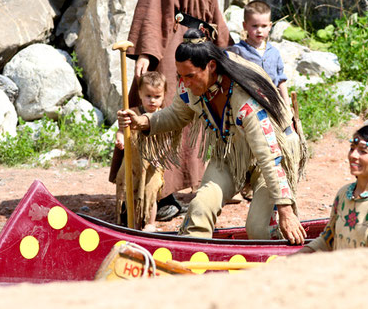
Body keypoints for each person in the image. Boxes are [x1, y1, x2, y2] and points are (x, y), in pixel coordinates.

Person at [117, 28, 307, 243]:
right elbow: (178, 114)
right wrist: (143, 121)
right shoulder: (191, 84)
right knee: (200, 207)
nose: (185, 83)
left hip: (274, 157)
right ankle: (191, 265)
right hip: (231, 152)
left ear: (211, 67)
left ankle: (281, 263)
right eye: (181, 76)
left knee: (260, 229)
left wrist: (286, 211)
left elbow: (269, 157)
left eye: (190, 76)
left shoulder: (246, 99)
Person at [109, 0, 232, 217]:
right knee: (162, 115)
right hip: (170, 48)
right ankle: (157, 195)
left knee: (197, 118)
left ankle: (202, 184)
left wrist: (226, 48)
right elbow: (150, 6)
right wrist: (147, 52)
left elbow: (214, 9)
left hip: (199, 50)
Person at [300, 125, 368, 252]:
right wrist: (290, 259)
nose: (353, 155)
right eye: (352, 149)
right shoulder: (343, 194)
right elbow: (328, 240)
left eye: (363, 151)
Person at [114, 72, 171, 231]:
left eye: (157, 96)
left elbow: (167, 138)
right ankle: (134, 223)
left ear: (164, 95)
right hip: (133, 162)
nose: (152, 100)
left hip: (153, 164)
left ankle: (150, 223)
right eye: (148, 96)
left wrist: (161, 153)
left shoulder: (163, 115)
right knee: (132, 193)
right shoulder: (133, 113)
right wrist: (119, 138)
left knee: (150, 193)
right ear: (139, 94)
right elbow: (121, 130)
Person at [228, 0, 289, 104]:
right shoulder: (238, 51)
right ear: (245, 25)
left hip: (272, 103)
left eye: (264, 26)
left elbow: (281, 81)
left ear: (270, 26)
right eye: (255, 26)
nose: (259, 30)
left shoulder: (274, 53)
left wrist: (287, 105)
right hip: (247, 103)